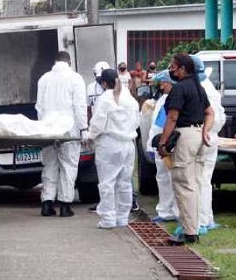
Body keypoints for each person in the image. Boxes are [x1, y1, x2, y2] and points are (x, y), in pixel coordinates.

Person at [156, 53, 214, 245]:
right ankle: (194, 227)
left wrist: (163, 143)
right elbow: (209, 113)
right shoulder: (199, 87)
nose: (170, 70)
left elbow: (172, 118)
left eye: (173, 67)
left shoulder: (179, 89)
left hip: (185, 137)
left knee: (183, 184)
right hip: (198, 137)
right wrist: (205, 131)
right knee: (195, 184)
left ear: (182, 69)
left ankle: (189, 232)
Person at [84, 69, 141, 228]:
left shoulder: (105, 99)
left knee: (107, 183)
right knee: (124, 183)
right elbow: (137, 121)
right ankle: (122, 218)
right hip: (128, 144)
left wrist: (90, 136)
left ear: (103, 83)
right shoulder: (129, 98)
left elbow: (98, 123)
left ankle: (108, 219)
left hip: (109, 144)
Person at [36, 51, 88, 217]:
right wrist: (83, 129)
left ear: (55, 61)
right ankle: (65, 206)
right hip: (69, 129)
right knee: (68, 166)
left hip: (48, 129)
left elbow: (39, 107)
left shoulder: (44, 78)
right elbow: (79, 106)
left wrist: (43, 125)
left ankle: (47, 203)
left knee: (50, 165)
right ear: (69, 62)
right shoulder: (76, 78)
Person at [191, 55, 226, 232]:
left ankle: (201, 221)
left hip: (202, 136)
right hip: (211, 137)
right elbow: (221, 116)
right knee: (205, 180)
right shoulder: (210, 87)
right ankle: (206, 218)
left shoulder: (199, 89)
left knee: (198, 181)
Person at [146, 70, 178, 223]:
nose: (161, 86)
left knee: (171, 178)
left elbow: (166, 124)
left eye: (164, 83)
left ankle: (172, 211)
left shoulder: (173, 100)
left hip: (166, 145)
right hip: (160, 145)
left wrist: (161, 144)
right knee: (163, 178)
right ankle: (165, 210)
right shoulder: (163, 99)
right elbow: (155, 125)